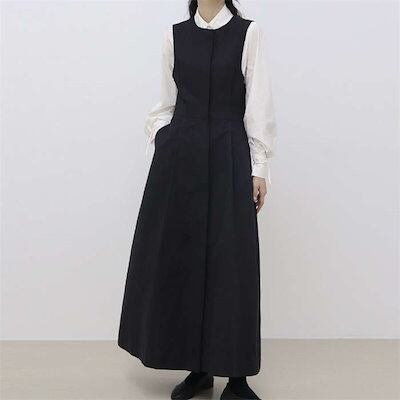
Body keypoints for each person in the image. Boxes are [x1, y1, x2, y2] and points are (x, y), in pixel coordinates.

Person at [118, 0, 277, 398]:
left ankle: (237, 379)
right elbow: (164, 104)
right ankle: (199, 369)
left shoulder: (248, 33)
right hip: (180, 158)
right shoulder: (175, 36)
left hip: (229, 152)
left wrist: (259, 167)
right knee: (186, 261)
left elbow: (258, 104)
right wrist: (165, 139)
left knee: (232, 264)